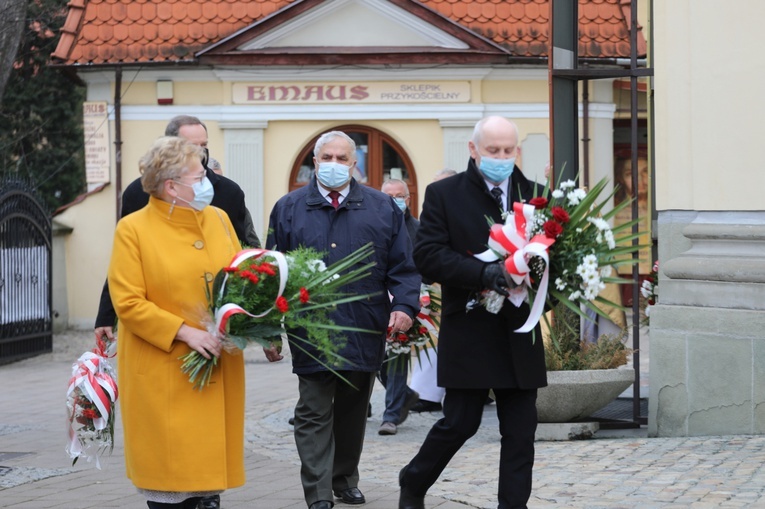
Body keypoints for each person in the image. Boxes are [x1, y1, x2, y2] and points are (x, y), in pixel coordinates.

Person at [263, 130, 420, 509]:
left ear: (355, 165)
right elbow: (271, 270)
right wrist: (268, 328)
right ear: (314, 163)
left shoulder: (383, 209)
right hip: (310, 327)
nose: (334, 164)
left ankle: (344, 477)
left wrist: (404, 306)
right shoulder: (288, 208)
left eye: (342, 158)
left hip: (364, 323)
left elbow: (404, 266)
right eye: (326, 158)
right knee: (313, 410)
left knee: (353, 411)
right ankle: (318, 494)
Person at [398, 116, 547, 509]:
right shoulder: (445, 194)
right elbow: (428, 256)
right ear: (473, 149)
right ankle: (413, 480)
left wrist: (543, 281)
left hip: (519, 331)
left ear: (518, 150)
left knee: (520, 430)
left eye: (508, 150)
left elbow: (553, 259)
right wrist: (484, 272)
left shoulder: (536, 196)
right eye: (492, 150)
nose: (501, 157)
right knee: (460, 423)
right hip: (470, 330)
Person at [107, 136, 245, 509]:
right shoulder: (133, 229)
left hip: (217, 359)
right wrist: (185, 332)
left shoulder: (218, 218)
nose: (208, 182)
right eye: (199, 176)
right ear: (171, 186)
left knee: (207, 482)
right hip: (165, 367)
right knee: (172, 480)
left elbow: (240, 276)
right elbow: (129, 302)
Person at [408, 168, 457, 414]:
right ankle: (427, 394)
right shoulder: (431, 213)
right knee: (430, 340)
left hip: (461, 284)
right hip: (434, 286)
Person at [377, 178, 422, 436]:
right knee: (375, 360)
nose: (395, 200)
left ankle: (391, 416)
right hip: (377, 302)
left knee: (396, 354)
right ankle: (404, 395)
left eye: (400, 196)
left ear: (408, 199)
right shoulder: (375, 225)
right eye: (389, 196)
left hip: (409, 302)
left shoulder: (420, 229)